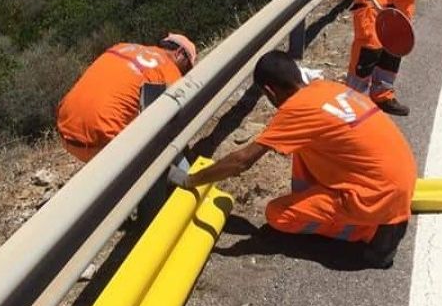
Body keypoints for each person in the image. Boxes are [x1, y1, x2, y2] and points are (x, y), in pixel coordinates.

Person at [169, 50, 417, 268]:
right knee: (302, 148)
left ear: (269, 91)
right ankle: (374, 218)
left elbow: (241, 161)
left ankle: (372, 232)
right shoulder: (327, 88)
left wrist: (192, 180)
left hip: (377, 198)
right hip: (401, 180)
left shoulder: (295, 110)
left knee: (278, 215)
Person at [56, 33, 197, 162]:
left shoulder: (121, 46)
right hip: (102, 142)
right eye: (187, 68)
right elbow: (175, 125)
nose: (184, 73)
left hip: (65, 131)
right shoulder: (169, 69)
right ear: (179, 53)